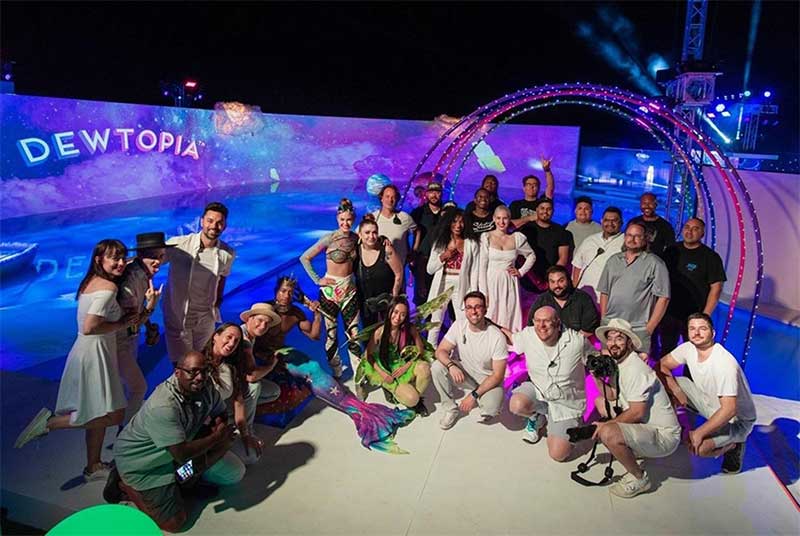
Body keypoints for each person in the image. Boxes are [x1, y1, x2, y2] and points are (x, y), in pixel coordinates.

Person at [15, 240, 139, 481]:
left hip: (89, 351)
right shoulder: (108, 288)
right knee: (114, 415)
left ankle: (93, 466)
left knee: (99, 412)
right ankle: (50, 423)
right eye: (115, 258)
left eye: (123, 258)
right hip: (95, 354)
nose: (121, 263)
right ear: (99, 259)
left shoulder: (91, 281)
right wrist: (123, 323)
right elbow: (90, 326)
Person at [105, 351, 244, 532]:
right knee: (174, 524)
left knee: (213, 458)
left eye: (204, 371)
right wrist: (218, 437)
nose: (200, 377)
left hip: (173, 453)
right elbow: (181, 454)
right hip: (144, 465)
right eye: (192, 372)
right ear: (177, 373)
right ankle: (125, 485)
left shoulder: (206, 385)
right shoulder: (163, 406)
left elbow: (220, 412)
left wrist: (220, 430)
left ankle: (183, 482)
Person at [592, 318, 681, 498]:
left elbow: (637, 412)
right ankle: (636, 448)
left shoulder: (635, 369)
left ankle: (640, 478)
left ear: (629, 343)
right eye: (610, 338)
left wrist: (605, 426)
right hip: (645, 425)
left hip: (664, 435)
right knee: (601, 402)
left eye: (619, 338)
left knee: (608, 433)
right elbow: (612, 396)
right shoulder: (620, 364)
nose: (613, 343)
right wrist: (596, 376)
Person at [659, 313, 756, 474]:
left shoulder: (724, 363)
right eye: (692, 328)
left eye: (702, 328)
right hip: (709, 403)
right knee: (666, 382)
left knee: (700, 448)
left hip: (736, 420)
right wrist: (676, 390)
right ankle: (671, 429)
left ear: (713, 333)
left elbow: (729, 410)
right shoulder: (689, 348)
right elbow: (661, 366)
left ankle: (734, 445)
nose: (696, 333)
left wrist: (699, 433)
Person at [507, 307, 592, 461]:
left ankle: (567, 423)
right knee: (516, 404)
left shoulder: (577, 341)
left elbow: (595, 361)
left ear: (558, 323)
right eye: (538, 321)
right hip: (539, 391)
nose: (541, 326)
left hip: (566, 403)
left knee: (558, 454)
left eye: (546, 321)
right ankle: (537, 416)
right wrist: (487, 323)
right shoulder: (528, 334)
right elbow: (512, 338)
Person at [162, 202, 235, 363]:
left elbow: (223, 276)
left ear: (224, 226)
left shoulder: (227, 253)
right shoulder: (178, 244)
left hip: (206, 317)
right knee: (182, 364)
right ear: (202, 221)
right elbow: (153, 261)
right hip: (179, 315)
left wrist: (218, 301)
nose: (214, 226)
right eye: (210, 221)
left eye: (219, 223)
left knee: (203, 360)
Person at [300, 198, 361, 378]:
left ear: (353, 219)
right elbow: (305, 258)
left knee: (354, 334)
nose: (345, 223)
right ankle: (337, 371)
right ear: (337, 219)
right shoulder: (329, 239)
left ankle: (358, 374)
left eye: (349, 220)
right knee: (332, 335)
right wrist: (318, 280)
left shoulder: (356, 238)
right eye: (342, 220)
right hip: (329, 292)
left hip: (350, 291)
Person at [431, 291, 508, 430]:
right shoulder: (459, 326)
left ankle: (483, 397)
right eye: (469, 307)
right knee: (437, 367)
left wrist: (473, 396)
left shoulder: (496, 336)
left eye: (478, 307)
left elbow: (498, 375)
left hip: (487, 378)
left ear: (485, 309)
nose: (473, 311)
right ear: (465, 310)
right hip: (465, 373)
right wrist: (451, 365)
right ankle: (450, 409)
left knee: (492, 408)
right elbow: (440, 351)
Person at [116, 232, 169, 425]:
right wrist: (151, 307)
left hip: (128, 340)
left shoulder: (142, 273)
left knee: (125, 388)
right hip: (118, 342)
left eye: (161, 256)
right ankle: (127, 430)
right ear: (140, 255)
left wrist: (149, 326)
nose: (158, 262)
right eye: (153, 256)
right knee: (138, 387)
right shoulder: (130, 280)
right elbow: (130, 323)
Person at [597, 222, 670, 355]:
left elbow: (664, 298)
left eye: (637, 236)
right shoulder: (613, 260)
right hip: (611, 325)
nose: (632, 239)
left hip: (638, 328)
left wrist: (650, 327)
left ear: (645, 239)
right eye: (629, 235)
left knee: (635, 365)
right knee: (609, 365)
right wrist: (604, 318)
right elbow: (604, 292)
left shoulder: (655, 263)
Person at [660, 218, 726, 355]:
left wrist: (704, 316)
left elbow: (716, 288)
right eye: (687, 227)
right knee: (666, 350)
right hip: (669, 312)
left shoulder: (710, 257)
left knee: (694, 353)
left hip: (695, 314)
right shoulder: (671, 251)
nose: (690, 231)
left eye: (695, 229)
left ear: (702, 233)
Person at [202, 323, 265, 463]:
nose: (231, 343)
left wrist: (245, 435)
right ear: (215, 337)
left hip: (220, 423)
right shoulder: (199, 363)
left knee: (252, 456)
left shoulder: (231, 367)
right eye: (228, 337)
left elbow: (239, 402)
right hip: (200, 426)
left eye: (236, 341)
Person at [361, 297, 432, 415]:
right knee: (412, 398)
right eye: (395, 312)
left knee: (425, 368)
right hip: (386, 368)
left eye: (403, 314)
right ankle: (401, 394)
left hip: (403, 362)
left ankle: (416, 400)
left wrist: (406, 366)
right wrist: (383, 374)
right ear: (390, 311)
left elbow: (420, 349)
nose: (398, 317)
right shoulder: (379, 332)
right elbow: (368, 356)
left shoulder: (409, 328)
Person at [425, 207, 482, 345]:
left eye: (461, 222)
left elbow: (475, 270)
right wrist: (443, 256)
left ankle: (461, 352)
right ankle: (431, 350)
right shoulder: (441, 242)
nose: (458, 225)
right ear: (449, 223)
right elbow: (430, 269)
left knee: (462, 320)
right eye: (455, 221)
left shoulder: (471, 243)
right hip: (443, 282)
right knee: (436, 320)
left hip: (462, 284)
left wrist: (474, 292)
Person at [479, 205, 535, 332]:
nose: (501, 222)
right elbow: (482, 267)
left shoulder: (517, 238)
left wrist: (520, 271)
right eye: (498, 218)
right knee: (491, 313)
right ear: (494, 219)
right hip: (491, 281)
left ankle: (509, 340)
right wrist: (483, 292)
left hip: (510, 282)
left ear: (509, 219)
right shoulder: (486, 237)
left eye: (505, 218)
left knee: (509, 313)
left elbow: (531, 256)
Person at [354, 214, 403, 327]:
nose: (371, 236)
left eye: (374, 232)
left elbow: (399, 273)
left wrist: (394, 297)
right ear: (360, 234)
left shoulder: (386, 250)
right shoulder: (355, 251)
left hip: (387, 302)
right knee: (370, 333)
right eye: (367, 233)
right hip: (366, 303)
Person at [527, 265, 599, 337]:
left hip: (577, 341)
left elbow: (588, 331)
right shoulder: (542, 300)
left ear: (568, 280)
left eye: (561, 281)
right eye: (552, 282)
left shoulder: (583, 299)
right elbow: (531, 327)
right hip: (548, 342)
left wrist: (566, 341)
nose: (556, 285)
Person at [571, 206, 624, 303]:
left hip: (609, 299)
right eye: (606, 220)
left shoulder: (626, 243)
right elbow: (577, 266)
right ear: (601, 221)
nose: (610, 224)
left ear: (621, 223)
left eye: (614, 221)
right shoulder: (590, 240)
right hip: (583, 295)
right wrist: (573, 291)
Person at [519, 197, 573, 290]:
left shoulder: (560, 231)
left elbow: (563, 258)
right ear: (537, 210)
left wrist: (551, 279)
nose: (545, 211)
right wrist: (535, 280)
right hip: (527, 279)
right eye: (542, 208)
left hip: (550, 282)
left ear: (553, 211)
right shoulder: (526, 229)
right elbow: (520, 256)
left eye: (549, 209)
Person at [410, 182, 443, 308]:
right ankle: (422, 319)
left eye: (437, 192)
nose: (434, 195)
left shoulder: (447, 212)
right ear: (427, 194)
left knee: (439, 294)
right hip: (422, 258)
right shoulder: (418, 213)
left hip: (441, 259)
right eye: (431, 192)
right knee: (422, 294)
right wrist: (412, 253)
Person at [371, 184, 417, 267]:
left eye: (393, 197)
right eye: (387, 196)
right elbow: (360, 234)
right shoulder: (373, 218)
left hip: (399, 266)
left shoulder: (404, 217)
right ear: (381, 198)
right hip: (377, 267)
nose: (390, 200)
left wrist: (414, 250)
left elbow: (417, 231)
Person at [508, 157, 556, 230]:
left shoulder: (542, 203)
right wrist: (529, 218)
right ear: (524, 188)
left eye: (535, 185)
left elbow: (550, 187)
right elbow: (509, 225)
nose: (532, 187)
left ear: (538, 188)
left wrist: (547, 170)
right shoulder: (515, 204)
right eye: (529, 184)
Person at [630, 193, 676, 258]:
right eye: (644, 203)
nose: (647, 206)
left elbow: (671, 249)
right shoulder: (633, 222)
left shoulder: (665, 226)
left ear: (656, 204)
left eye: (650, 203)